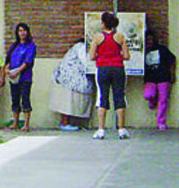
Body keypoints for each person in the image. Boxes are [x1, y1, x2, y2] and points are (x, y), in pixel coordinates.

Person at [89, 11, 131, 139]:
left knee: (102, 97)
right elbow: (127, 56)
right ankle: (121, 129)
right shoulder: (120, 37)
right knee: (119, 96)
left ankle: (101, 130)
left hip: (103, 69)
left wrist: (100, 56)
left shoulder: (97, 37)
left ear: (103, 24)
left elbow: (91, 56)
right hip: (118, 69)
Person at [49, 37, 93, 131]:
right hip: (70, 77)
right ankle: (64, 123)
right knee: (68, 102)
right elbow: (85, 61)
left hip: (67, 77)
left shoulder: (75, 48)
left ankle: (68, 122)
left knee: (69, 101)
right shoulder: (80, 47)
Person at [3, 22, 36, 131]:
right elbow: (8, 60)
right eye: (20, 31)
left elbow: (27, 62)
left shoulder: (30, 46)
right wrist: (7, 70)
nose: (22, 33)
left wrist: (18, 71)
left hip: (24, 77)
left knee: (25, 99)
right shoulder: (14, 46)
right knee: (15, 99)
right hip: (13, 78)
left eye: (24, 30)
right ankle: (15, 122)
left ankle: (26, 124)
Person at [142, 30, 175, 131]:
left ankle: (161, 122)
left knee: (163, 99)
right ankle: (153, 100)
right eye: (147, 40)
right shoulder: (143, 51)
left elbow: (172, 60)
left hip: (163, 77)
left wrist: (172, 74)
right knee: (148, 94)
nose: (149, 42)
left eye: (151, 39)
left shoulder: (162, 49)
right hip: (150, 78)